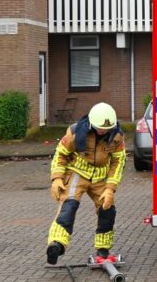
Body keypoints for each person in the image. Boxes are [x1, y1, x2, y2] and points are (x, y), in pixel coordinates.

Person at [46, 102, 126, 265]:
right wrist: (57, 178)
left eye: (107, 129)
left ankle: (103, 249)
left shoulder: (117, 136)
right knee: (69, 206)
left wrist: (110, 188)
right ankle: (56, 245)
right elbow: (60, 154)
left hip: (101, 177)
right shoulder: (75, 132)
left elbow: (118, 161)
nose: (103, 131)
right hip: (78, 172)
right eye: (100, 128)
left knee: (107, 210)